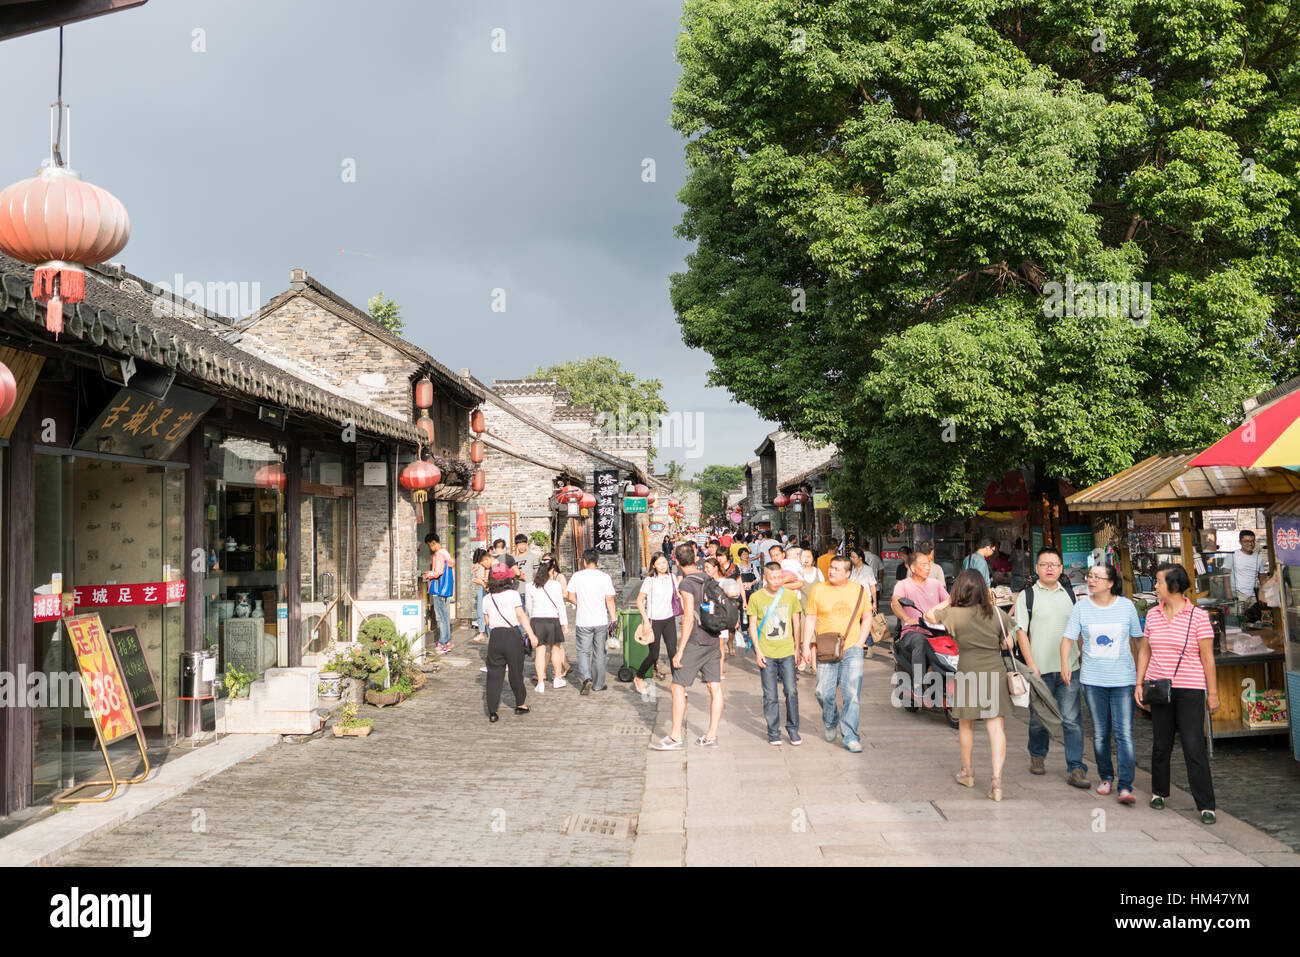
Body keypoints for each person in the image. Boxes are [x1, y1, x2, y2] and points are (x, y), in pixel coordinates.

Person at [1136, 563, 1219, 824]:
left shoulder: (1198, 616)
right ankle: (1159, 791)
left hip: (1190, 687)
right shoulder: (1152, 615)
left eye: (1159, 582)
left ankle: (1206, 805)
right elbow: (1145, 651)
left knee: (1194, 745)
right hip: (1159, 686)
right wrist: (1139, 683)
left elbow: (1207, 658)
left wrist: (1213, 693)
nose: (1156, 586)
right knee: (1161, 743)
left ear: (1173, 586)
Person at [925, 570, 1016, 801]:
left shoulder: (955, 614)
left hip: (968, 673)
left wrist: (949, 600)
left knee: (966, 725)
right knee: (996, 728)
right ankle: (996, 780)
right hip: (994, 672)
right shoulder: (996, 612)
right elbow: (1009, 643)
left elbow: (929, 615)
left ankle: (967, 772)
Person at [1061, 563, 1144, 806]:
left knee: (1124, 734)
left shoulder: (1126, 606)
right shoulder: (1081, 608)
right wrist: (1065, 663)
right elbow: (1067, 639)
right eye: (1090, 576)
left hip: (1123, 680)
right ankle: (1106, 777)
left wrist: (1141, 676)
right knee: (1099, 734)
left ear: (1110, 583)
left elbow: (1140, 642)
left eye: (1098, 577)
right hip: (1093, 681)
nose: (1091, 580)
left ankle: (1126, 785)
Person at [1013, 547, 1087, 787]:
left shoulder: (1071, 595)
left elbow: (1077, 631)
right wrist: (1031, 664)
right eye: (1044, 564)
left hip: (1070, 667)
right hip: (1040, 669)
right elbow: (1021, 632)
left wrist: (1082, 656)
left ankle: (1076, 767)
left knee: (1072, 719)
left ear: (1061, 568)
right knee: (1038, 719)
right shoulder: (1028, 596)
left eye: (1054, 564)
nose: (1049, 569)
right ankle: (1037, 754)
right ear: (1036, 569)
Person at [652, 544, 724, 750]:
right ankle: (711, 735)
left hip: (696, 640)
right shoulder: (708, 577)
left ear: (676, 561)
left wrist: (680, 650)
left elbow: (689, 618)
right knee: (714, 686)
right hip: (713, 638)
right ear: (695, 558)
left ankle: (675, 737)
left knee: (677, 686)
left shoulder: (686, 584)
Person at [802, 557, 870, 751]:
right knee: (823, 692)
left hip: (852, 649)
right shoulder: (819, 589)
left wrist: (860, 642)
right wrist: (806, 646)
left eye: (837, 569)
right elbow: (810, 618)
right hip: (827, 648)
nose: (832, 571)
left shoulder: (858, 590)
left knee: (852, 695)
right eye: (831, 567)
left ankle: (850, 736)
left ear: (848, 573)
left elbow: (867, 616)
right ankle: (831, 721)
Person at [748, 561, 803, 746]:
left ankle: (793, 729)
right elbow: (752, 627)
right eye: (772, 578)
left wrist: (797, 648)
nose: (776, 581)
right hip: (767, 652)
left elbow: (796, 622)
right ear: (765, 578)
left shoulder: (790, 596)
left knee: (791, 691)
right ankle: (773, 732)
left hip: (787, 651)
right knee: (770, 694)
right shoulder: (756, 598)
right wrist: (757, 651)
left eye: (779, 577)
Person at [482, 563, 540, 722]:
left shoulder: (487, 598)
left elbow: (487, 621)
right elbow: (521, 616)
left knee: (494, 675)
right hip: (512, 635)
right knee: (515, 672)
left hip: (495, 637)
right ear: (508, 578)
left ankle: (492, 712)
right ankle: (520, 704)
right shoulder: (513, 594)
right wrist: (532, 635)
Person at [891, 551, 950, 693]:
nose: (928, 567)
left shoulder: (935, 584)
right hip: (913, 631)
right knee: (921, 641)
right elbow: (896, 604)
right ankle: (919, 682)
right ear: (912, 568)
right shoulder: (903, 585)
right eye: (924, 564)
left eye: (929, 564)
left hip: (937, 630)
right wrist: (906, 619)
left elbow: (949, 602)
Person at [564, 549, 617, 696]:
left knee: (583, 651)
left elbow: (569, 595)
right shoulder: (605, 577)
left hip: (583, 621)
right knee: (600, 653)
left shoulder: (577, 576)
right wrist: (613, 619)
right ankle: (598, 685)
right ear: (598, 561)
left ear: (584, 561)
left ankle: (586, 677)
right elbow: (610, 599)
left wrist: (581, 604)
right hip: (601, 620)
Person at [635, 553, 680, 695]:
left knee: (673, 652)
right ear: (654, 565)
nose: (662, 565)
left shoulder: (672, 578)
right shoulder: (650, 580)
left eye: (664, 562)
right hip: (654, 621)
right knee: (654, 655)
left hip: (669, 619)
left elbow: (679, 595)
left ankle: (677, 686)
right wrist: (646, 620)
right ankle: (639, 677)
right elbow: (639, 600)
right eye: (659, 563)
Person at [526, 558, 569, 693]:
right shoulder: (555, 585)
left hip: (536, 620)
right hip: (552, 619)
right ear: (551, 570)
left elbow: (528, 607)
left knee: (539, 652)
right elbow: (560, 605)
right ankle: (557, 679)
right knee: (555, 650)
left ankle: (540, 683)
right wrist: (564, 624)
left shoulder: (530, 586)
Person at [422, 532, 455, 654]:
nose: (430, 548)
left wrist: (428, 574)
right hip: (445, 590)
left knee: (441, 617)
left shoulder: (439, 554)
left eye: (429, 546)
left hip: (438, 589)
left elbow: (438, 572)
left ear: (433, 543)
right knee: (445, 616)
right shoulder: (446, 553)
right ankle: (446, 642)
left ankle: (442, 642)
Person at [1226, 530, 1264, 606]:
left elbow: (1262, 579)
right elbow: (1226, 576)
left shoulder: (1258, 558)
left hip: (1253, 597)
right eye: (1246, 541)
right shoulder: (1232, 555)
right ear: (1240, 542)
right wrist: (1229, 594)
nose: (1250, 544)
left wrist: (1263, 596)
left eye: (1252, 541)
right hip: (1238, 595)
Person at [470, 547, 491, 643]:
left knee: (488, 611)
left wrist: (482, 582)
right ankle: (482, 632)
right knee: (481, 610)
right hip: (483, 587)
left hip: (488, 588)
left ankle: (490, 633)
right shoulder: (483, 565)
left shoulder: (494, 565)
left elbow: (489, 586)